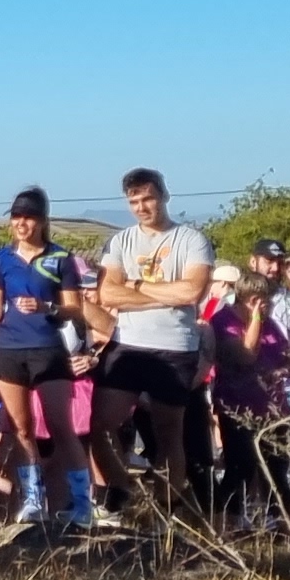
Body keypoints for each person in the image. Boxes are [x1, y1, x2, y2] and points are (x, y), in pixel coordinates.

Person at [92, 168, 214, 522]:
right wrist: (163, 294)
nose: (142, 207)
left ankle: (166, 509)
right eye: (134, 201)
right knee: (100, 424)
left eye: (147, 198)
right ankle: (120, 490)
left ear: (163, 196)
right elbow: (107, 293)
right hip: (127, 343)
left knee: (167, 432)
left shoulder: (191, 240)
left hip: (174, 345)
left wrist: (136, 288)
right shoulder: (120, 242)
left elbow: (192, 291)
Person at [0, 190, 92, 531]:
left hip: (48, 349)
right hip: (8, 349)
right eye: (15, 217)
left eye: (27, 217)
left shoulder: (60, 258)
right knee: (21, 428)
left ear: (42, 220)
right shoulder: (2, 258)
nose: (20, 224)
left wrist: (47, 307)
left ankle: (82, 502)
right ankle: (32, 498)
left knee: (61, 427)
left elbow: (74, 306)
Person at [206, 243, 290, 529]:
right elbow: (246, 354)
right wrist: (256, 318)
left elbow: (287, 356)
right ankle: (227, 522)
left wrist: (284, 370)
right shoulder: (223, 322)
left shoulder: (271, 323)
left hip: (270, 405)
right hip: (237, 406)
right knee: (240, 466)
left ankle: (280, 522)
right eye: (264, 302)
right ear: (250, 299)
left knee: (276, 464)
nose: (269, 307)